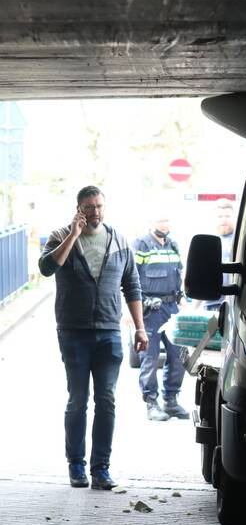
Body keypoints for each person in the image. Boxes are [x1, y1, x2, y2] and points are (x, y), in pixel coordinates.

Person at [38, 185, 148, 489]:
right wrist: (73, 234)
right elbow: (46, 268)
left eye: (98, 206)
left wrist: (139, 327)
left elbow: (132, 286)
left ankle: (101, 468)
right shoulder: (60, 236)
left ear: (104, 207)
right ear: (78, 209)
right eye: (88, 207)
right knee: (78, 400)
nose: (94, 212)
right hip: (73, 332)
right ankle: (76, 465)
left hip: (110, 332)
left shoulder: (120, 240)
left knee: (107, 400)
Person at [133, 214, 188, 421]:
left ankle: (171, 400)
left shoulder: (173, 245)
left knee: (178, 355)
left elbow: (179, 276)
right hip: (150, 311)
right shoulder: (141, 245)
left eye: (167, 220)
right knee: (150, 357)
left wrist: (182, 300)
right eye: (160, 219)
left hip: (171, 307)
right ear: (151, 222)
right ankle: (151, 403)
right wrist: (133, 311)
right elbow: (129, 277)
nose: (165, 224)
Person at [204, 198, 236, 311]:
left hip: (234, 301)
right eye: (220, 217)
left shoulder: (239, 240)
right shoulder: (207, 240)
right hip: (211, 302)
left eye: (227, 216)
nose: (224, 220)